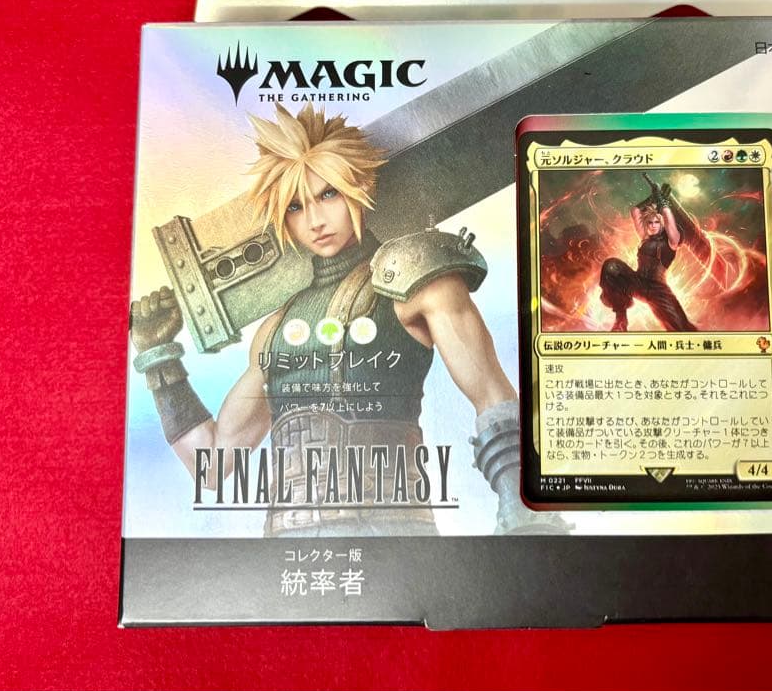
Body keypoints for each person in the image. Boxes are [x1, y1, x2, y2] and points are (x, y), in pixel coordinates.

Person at [129, 103, 560, 536]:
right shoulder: (274, 331)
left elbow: (492, 394)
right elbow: (211, 464)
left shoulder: (420, 282)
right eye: (295, 207)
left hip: (392, 537)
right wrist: (159, 358)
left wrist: (522, 510)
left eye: (328, 194)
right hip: (287, 547)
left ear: (358, 188)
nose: (315, 220)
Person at [599, 174, 709, 332]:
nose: (652, 225)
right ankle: (621, 320)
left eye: (657, 222)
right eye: (650, 222)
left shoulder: (672, 240)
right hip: (639, 282)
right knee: (611, 266)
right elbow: (635, 211)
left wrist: (662, 202)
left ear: (662, 223)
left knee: (682, 329)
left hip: (658, 291)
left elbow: (669, 222)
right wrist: (653, 197)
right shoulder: (645, 237)